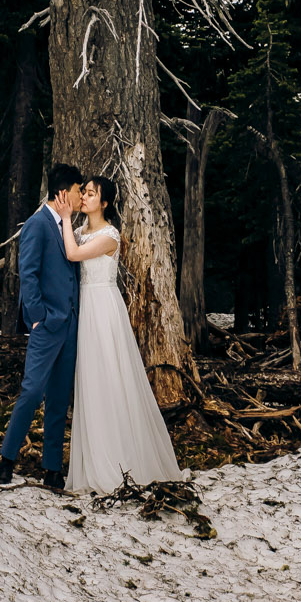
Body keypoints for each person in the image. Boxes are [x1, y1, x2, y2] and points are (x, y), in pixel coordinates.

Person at [59, 171, 181, 493]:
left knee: (111, 378)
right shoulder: (81, 230)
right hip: (86, 309)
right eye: (82, 192)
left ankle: (118, 461)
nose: (84, 196)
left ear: (105, 201)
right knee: (91, 380)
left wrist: (63, 217)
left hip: (104, 309)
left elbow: (72, 254)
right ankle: (92, 461)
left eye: (90, 193)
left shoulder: (110, 235)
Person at [0, 163, 83, 492]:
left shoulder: (67, 225)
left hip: (70, 325)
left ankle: (52, 469)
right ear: (63, 193)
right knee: (31, 392)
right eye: (77, 190)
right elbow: (27, 273)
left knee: (60, 399)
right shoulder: (37, 224)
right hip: (46, 324)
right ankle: (6, 462)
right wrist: (37, 316)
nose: (79, 195)